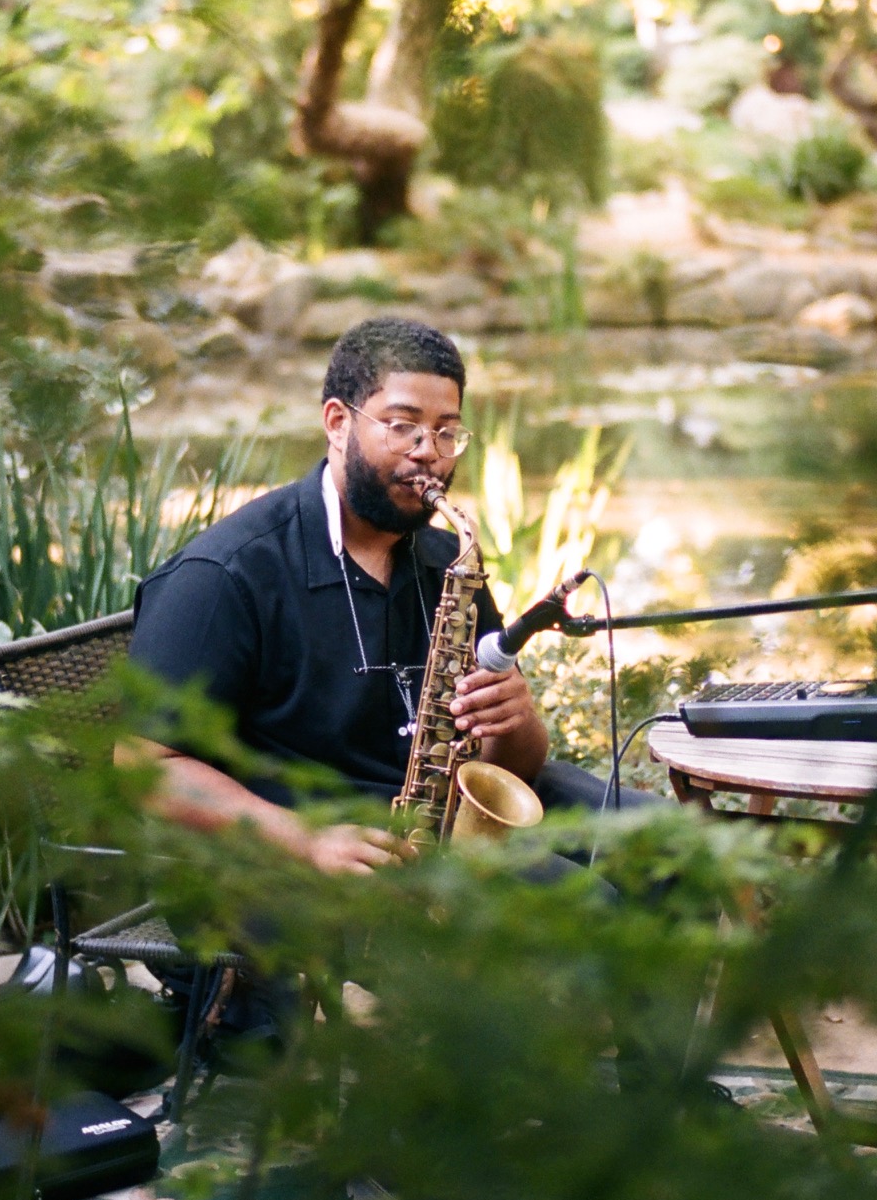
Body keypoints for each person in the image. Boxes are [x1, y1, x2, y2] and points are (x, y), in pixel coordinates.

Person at [123, 315, 644, 875]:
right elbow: (141, 764)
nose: (430, 452)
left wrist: (516, 721)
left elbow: (509, 766)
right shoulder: (225, 573)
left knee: (663, 857)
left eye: (447, 431)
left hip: (420, 834)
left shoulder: (448, 560)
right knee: (588, 911)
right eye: (403, 426)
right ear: (338, 423)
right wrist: (306, 841)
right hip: (283, 871)